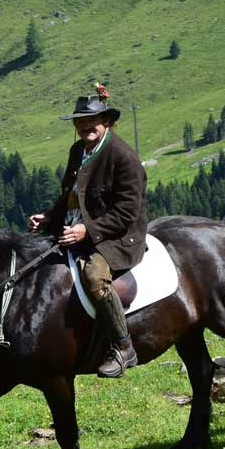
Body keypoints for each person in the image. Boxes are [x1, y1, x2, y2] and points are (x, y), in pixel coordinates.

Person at [29, 85, 147, 378]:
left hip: (117, 236)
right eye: (79, 122)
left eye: (90, 120)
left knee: (95, 278)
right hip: (73, 229)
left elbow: (126, 213)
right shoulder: (78, 150)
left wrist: (86, 230)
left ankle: (123, 346)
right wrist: (48, 217)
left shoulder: (123, 157)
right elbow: (69, 194)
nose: (84, 126)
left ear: (106, 121)